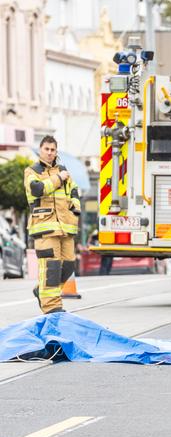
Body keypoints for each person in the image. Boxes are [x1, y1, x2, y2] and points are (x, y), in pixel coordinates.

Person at [24, 135, 81, 314]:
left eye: (53, 150)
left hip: (66, 227)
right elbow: (37, 189)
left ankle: (40, 290)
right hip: (45, 228)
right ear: (40, 150)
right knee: (51, 269)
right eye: (46, 149)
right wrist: (58, 178)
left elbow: (74, 191)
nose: (49, 153)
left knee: (68, 267)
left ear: (56, 151)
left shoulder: (64, 171)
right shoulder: (32, 171)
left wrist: (75, 208)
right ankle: (52, 308)